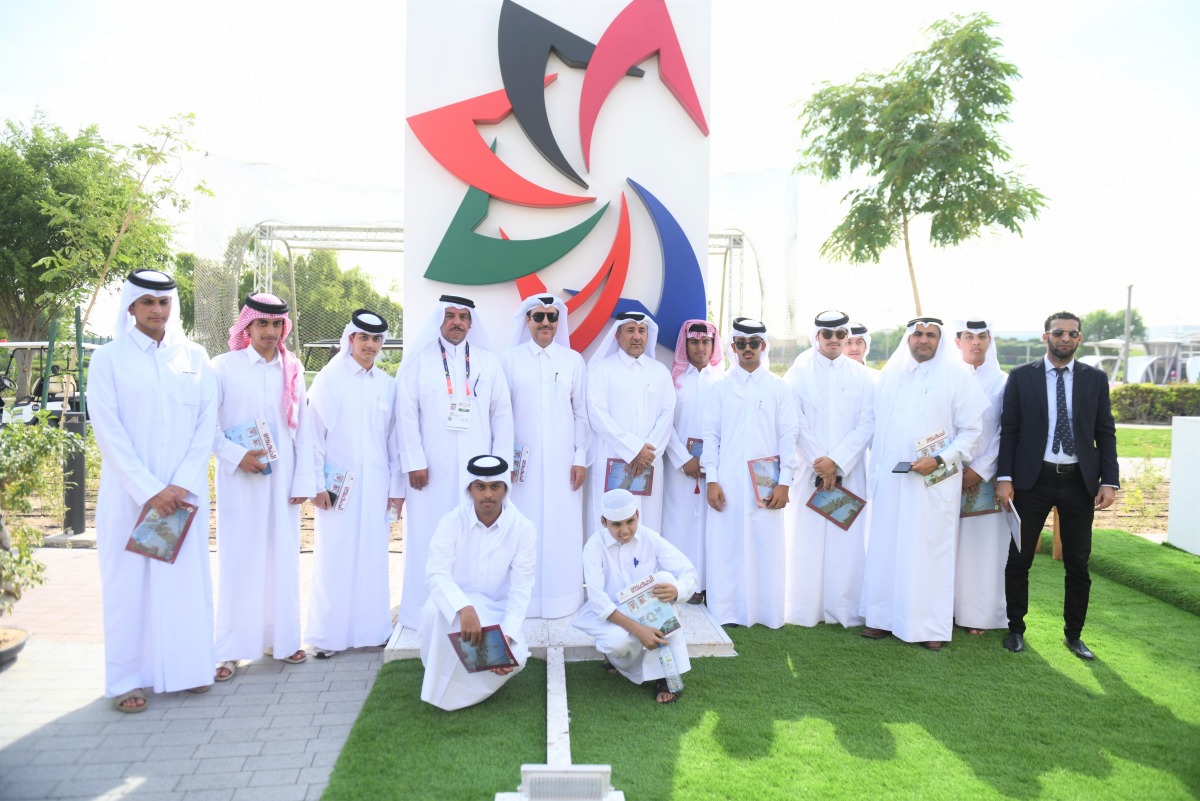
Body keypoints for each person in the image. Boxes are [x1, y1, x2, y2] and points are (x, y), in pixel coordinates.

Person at [87, 269, 219, 712]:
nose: (157, 311)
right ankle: (128, 680)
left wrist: (179, 484)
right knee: (129, 588)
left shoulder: (195, 357)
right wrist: (148, 489)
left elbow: (206, 425)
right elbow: (108, 430)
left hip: (183, 498)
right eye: (148, 303)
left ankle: (188, 670)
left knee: (184, 584)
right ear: (131, 307)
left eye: (163, 303)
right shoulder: (109, 359)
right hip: (130, 498)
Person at [996, 312, 1119, 660]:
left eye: (1072, 333)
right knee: (1019, 559)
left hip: (1079, 483)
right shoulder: (1022, 377)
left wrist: (1109, 480)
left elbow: (1104, 432)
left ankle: (1074, 635)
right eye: (1059, 332)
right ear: (1045, 336)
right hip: (1032, 482)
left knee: (1078, 563)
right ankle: (1016, 629)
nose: (1065, 338)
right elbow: (1010, 431)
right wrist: (1004, 478)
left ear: (1079, 338)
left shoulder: (1095, 378)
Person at [860, 317, 988, 650]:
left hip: (934, 481)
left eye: (931, 335)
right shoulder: (889, 375)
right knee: (888, 546)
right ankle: (881, 618)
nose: (923, 339)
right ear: (908, 338)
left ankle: (930, 626)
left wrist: (942, 459)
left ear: (941, 340)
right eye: (917, 333)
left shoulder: (957, 376)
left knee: (930, 550)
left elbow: (973, 431)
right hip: (891, 481)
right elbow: (872, 425)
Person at [210, 294, 318, 679]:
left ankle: (284, 642)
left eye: (277, 325)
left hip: (283, 478)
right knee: (240, 559)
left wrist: (304, 479)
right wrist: (237, 456)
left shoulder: (291, 367)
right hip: (240, 478)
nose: (270, 332)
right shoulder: (222, 367)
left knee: (283, 557)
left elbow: (302, 428)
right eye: (262, 325)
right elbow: (207, 427)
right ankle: (228, 650)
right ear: (247, 327)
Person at [396, 295, 514, 630]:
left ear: (471, 323)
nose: (456, 322)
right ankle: (423, 612)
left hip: (480, 473)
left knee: (474, 539)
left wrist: (501, 471)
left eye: (463, 317)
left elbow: (503, 416)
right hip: (430, 470)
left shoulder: (488, 362)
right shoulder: (419, 361)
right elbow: (405, 414)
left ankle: (475, 611)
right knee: (430, 536)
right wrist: (414, 461)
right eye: (450, 316)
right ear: (440, 319)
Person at [306, 309, 405, 658]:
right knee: (334, 557)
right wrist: (315, 483)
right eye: (364, 338)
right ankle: (328, 636)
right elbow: (313, 436)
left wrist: (397, 491)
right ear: (351, 339)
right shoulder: (329, 380)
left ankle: (371, 631)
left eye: (377, 339)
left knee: (374, 558)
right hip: (336, 488)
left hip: (376, 486)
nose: (370, 345)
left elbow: (394, 442)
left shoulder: (388, 385)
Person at [702, 318, 799, 628]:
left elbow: (789, 438)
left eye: (753, 343)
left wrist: (785, 483)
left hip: (766, 483)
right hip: (727, 480)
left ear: (763, 346)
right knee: (726, 545)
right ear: (732, 347)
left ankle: (765, 613)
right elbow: (711, 437)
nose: (747, 349)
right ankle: (726, 611)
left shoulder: (779, 388)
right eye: (741, 343)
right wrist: (712, 479)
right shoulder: (720, 389)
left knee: (765, 545)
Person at [419, 455, 535, 711]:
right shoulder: (451, 522)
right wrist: (464, 608)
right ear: (469, 489)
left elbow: (521, 588)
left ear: (506, 489)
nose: (488, 495)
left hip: (494, 610)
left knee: (515, 657)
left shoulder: (522, 528)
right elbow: (436, 574)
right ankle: (440, 685)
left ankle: (470, 690)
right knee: (439, 617)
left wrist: (505, 635)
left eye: (495, 486)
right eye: (480, 487)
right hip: (450, 607)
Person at [783, 311, 875, 628]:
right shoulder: (798, 373)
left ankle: (843, 609)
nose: (834, 340)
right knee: (805, 540)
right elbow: (794, 421)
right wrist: (820, 462)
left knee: (845, 542)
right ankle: (803, 608)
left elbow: (867, 424)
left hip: (849, 471)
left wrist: (837, 461)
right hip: (809, 472)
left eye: (840, 335)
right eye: (827, 334)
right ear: (817, 337)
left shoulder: (863, 377)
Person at [500, 295, 589, 619]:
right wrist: (502, 462)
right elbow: (501, 414)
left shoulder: (572, 361)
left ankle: (561, 599)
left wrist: (580, 457)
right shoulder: (510, 361)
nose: (546, 324)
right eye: (539, 317)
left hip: (564, 466)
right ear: (527, 320)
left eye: (552, 318)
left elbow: (582, 414)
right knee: (521, 528)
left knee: (561, 528)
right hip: (519, 470)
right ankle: (524, 600)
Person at [572, 488, 697, 704]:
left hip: (648, 608)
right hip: (614, 612)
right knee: (617, 644)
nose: (625, 530)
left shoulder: (650, 537)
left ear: (638, 515)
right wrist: (639, 631)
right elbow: (598, 600)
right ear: (604, 522)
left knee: (665, 578)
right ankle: (613, 659)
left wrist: (677, 591)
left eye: (630, 521)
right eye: (616, 524)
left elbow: (687, 570)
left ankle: (664, 676)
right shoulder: (594, 545)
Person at [586, 312, 676, 531]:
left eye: (642, 331)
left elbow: (667, 414)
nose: (637, 337)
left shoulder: (660, 372)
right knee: (610, 527)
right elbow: (598, 415)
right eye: (630, 330)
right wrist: (634, 449)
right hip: (612, 459)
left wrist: (646, 453)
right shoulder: (601, 370)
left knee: (648, 527)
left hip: (649, 462)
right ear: (618, 335)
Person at [952, 319, 1010, 636]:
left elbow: (1007, 432)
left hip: (984, 480)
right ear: (957, 341)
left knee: (982, 550)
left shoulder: (1004, 383)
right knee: (946, 545)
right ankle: (942, 608)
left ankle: (979, 615)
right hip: (946, 475)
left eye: (982, 337)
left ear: (990, 341)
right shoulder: (946, 378)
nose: (976, 342)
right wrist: (953, 467)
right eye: (969, 337)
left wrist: (980, 470)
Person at [662, 319, 724, 603]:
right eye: (694, 342)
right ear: (685, 345)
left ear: (713, 345)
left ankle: (710, 584)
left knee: (712, 525)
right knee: (679, 521)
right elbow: (665, 423)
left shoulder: (723, 381)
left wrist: (711, 462)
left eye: (705, 342)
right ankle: (682, 585)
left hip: (714, 469)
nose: (700, 347)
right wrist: (683, 459)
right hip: (680, 468)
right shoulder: (673, 380)